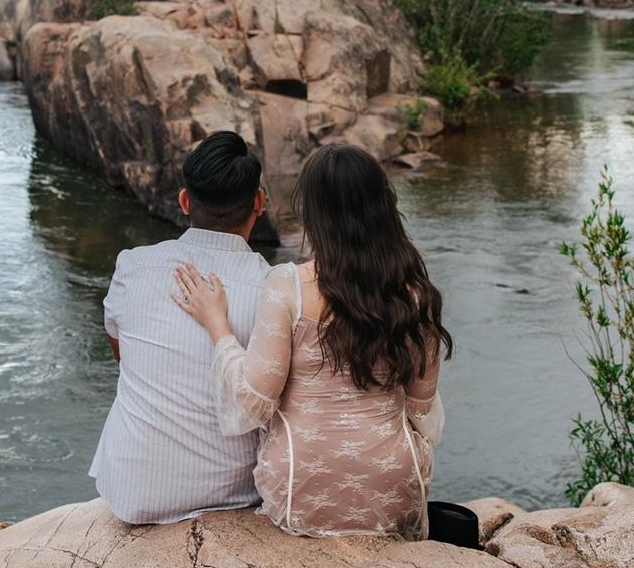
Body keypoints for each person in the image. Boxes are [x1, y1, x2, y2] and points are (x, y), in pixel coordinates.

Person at [172, 142, 451, 538]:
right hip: (392, 486)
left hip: (301, 490)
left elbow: (255, 398)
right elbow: (422, 409)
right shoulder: (416, 295)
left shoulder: (288, 285)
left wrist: (218, 325)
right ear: (384, 206)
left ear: (313, 214)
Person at [90, 131, 271, 524]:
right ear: (258, 203)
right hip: (236, 492)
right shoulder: (273, 288)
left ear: (185, 201)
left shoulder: (132, 265)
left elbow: (121, 353)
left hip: (131, 491)